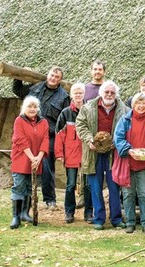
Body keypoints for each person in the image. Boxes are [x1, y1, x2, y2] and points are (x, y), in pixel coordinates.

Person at [12, 66, 70, 209]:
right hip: (30, 134)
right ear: (47, 75)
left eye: (57, 77)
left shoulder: (64, 97)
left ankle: (50, 199)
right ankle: (25, 202)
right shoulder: (34, 88)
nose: (53, 78)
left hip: (49, 136)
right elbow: (17, 90)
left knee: (46, 166)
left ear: (60, 80)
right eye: (51, 75)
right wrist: (19, 74)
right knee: (26, 164)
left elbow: (65, 121)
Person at [75, 80, 130, 230]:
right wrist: (89, 139)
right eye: (107, 92)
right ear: (101, 93)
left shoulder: (124, 109)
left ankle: (116, 219)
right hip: (93, 153)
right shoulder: (88, 107)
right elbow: (80, 125)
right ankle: (99, 218)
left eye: (112, 92)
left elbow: (128, 128)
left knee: (114, 186)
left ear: (116, 94)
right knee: (95, 186)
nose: (109, 94)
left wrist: (118, 142)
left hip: (114, 154)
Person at [113, 93, 145, 234]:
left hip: (144, 164)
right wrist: (128, 150)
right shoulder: (125, 120)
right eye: (138, 103)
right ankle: (130, 222)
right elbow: (118, 138)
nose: (141, 106)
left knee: (144, 194)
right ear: (133, 105)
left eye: (144, 103)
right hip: (127, 163)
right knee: (128, 194)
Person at [55, 83, 93, 224]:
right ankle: (69, 212)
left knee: (88, 185)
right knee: (71, 185)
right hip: (70, 155)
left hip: (87, 154)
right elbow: (58, 135)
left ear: (84, 94)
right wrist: (59, 153)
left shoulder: (89, 111)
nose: (78, 95)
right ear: (71, 95)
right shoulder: (65, 113)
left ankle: (89, 213)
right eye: (75, 93)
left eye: (80, 93)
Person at [10, 96, 49, 229]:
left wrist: (39, 156)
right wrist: (32, 157)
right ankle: (16, 216)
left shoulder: (43, 122)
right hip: (22, 158)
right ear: (24, 108)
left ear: (38, 109)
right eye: (29, 106)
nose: (32, 109)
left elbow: (45, 139)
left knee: (30, 187)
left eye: (35, 107)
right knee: (19, 186)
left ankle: (24, 213)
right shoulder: (19, 121)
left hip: (36, 160)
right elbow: (20, 140)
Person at [76, 59, 106, 210]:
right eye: (95, 69)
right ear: (91, 71)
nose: (97, 72)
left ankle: (98, 202)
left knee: (101, 170)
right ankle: (83, 196)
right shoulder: (86, 89)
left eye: (100, 69)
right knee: (86, 166)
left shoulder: (108, 89)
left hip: (104, 139)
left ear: (104, 72)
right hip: (88, 136)